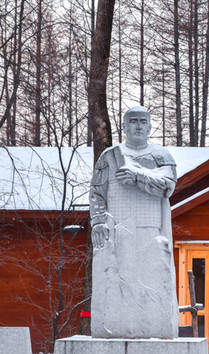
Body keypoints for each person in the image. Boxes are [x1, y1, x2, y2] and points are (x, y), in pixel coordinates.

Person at [89, 106, 179, 339]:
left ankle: (152, 327)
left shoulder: (161, 156)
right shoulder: (109, 156)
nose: (138, 125)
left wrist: (138, 176)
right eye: (133, 121)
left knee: (151, 285)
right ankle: (118, 326)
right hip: (117, 229)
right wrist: (98, 221)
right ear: (125, 126)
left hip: (150, 229)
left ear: (149, 126)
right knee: (118, 283)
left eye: (142, 121)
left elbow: (167, 185)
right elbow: (97, 191)